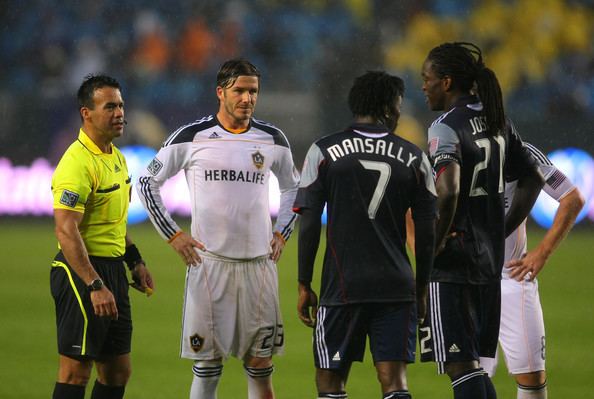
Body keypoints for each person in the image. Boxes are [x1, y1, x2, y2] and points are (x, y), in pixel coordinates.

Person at [136, 58, 299, 399]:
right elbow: (147, 180)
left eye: (253, 91)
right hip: (210, 268)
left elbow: (293, 188)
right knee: (208, 368)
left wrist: (283, 230)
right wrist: (174, 234)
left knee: (260, 366)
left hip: (259, 267)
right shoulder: (191, 137)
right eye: (239, 90)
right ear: (220, 92)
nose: (247, 98)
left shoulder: (272, 139)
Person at [294, 71, 438, 399]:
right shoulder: (414, 158)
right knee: (394, 381)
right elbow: (427, 230)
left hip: (343, 284)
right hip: (396, 286)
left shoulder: (323, 151)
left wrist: (304, 283)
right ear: (388, 108)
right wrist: (422, 288)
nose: (400, 114)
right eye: (398, 107)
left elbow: (310, 223)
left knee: (330, 382)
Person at [417, 42, 545, 399]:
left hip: (456, 260)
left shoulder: (445, 127)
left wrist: (435, 241)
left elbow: (449, 189)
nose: (422, 86)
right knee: (471, 366)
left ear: (446, 82)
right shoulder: (496, 119)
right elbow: (533, 177)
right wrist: (499, 228)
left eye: (426, 79)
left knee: (460, 368)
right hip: (490, 260)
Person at [50, 74, 154, 399]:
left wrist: (135, 261)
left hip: (113, 271)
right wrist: (94, 285)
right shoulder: (76, 163)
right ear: (87, 113)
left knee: (117, 371)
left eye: (121, 105)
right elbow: (66, 229)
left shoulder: (117, 158)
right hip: (81, 272)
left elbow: (115, 224)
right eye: (110, 106)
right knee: (75, 372)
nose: (119, 113)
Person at [480, 142, 585, 399]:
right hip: (467, 281)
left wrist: (542, 252)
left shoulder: (520, 150)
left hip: (511, 277)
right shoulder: (451, 141)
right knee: (470, 376)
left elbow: (572, 198)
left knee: (532, 379)